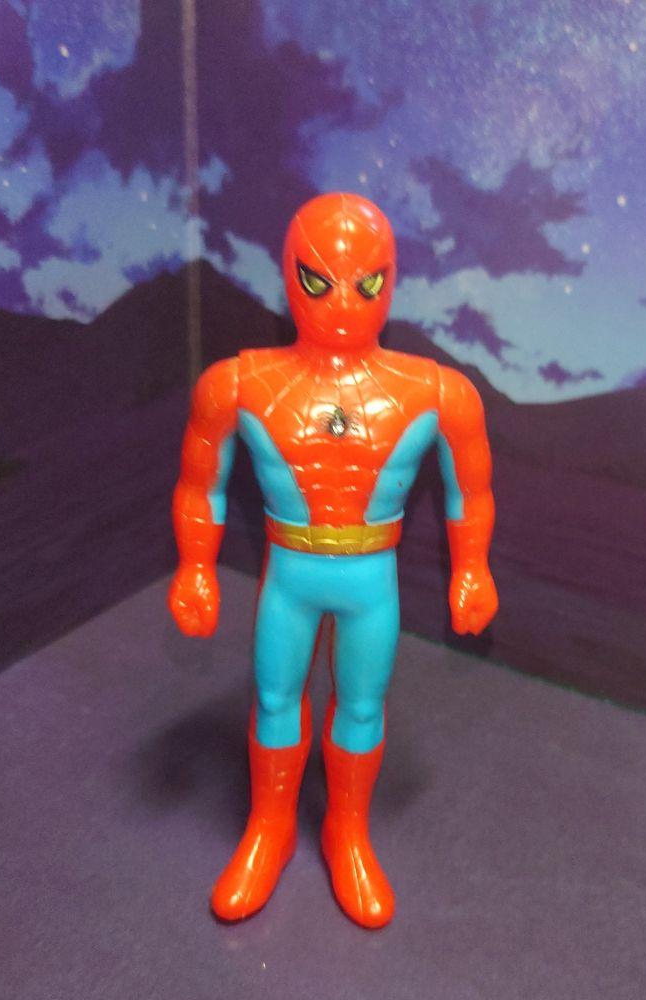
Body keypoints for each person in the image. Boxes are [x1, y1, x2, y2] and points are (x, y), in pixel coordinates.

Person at [169, 192, 497, 928]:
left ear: (392, 281)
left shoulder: (439, 393)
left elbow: (470, 491)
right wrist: (194, 565)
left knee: (362, 705)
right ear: (288, 275)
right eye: (319, 281)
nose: (344, 303)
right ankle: (271, 827)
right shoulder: (237, 384)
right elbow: (200, 484)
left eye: (367, 282)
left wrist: (473, 566)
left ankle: (347, 832)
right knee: (276, 698)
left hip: (369, 580)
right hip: (291, 573)